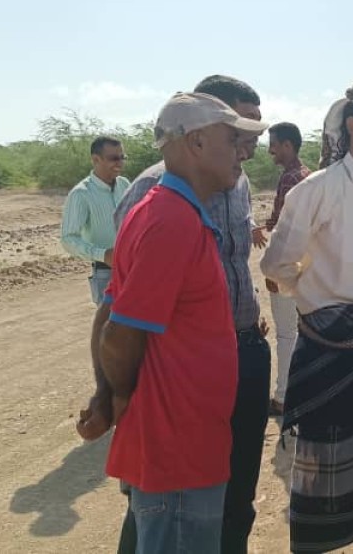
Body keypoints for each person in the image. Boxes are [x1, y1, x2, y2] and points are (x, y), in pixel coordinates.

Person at [77, 75, 271, 554]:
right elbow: (119, 326)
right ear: (197, 140)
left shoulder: (186, 205)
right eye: (234, 137)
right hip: (176, 439)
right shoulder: (168, 216)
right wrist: (120, 397)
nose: (243, 150)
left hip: (191, 431)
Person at [260, 79, 353, 554]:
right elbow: (276, 266)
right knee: (324, 466)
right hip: (332, 345)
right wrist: (319, 291)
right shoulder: (316, 190)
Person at [263, 122, 312, 418]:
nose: (270, 150)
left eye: (274, 144)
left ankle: (283, 397)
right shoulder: (307, 177)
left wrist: (273, 273)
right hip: (306, 268)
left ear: (287, 146)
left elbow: (286, 231)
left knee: (285, 334)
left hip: (289, 267)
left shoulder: (290, 179)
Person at [60, 136, 131, 304]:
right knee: (110, 327)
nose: (119, 163)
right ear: (96, 159)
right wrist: (103, 255)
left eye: (122, 157)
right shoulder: (81, 194)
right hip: (106, 273)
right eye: (113, 158)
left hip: (134, 268)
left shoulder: (125, 184)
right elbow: (68, 239)